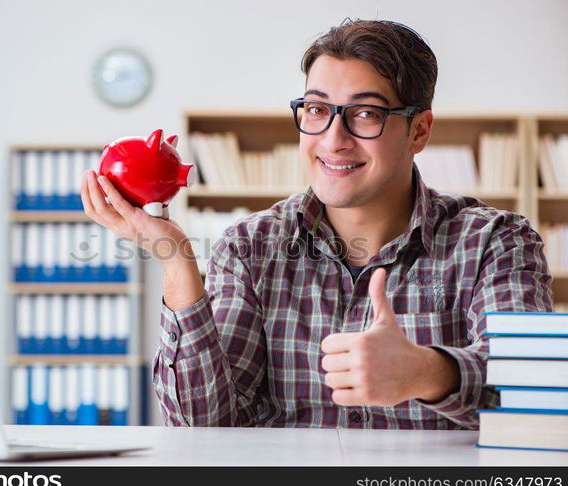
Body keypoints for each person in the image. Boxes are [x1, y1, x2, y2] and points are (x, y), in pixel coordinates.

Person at [81, 19, 554, 429]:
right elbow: (203, 425)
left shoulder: (496, 242)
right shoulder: (249, 247)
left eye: (365, 114)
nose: (333, 139)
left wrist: (428, 372)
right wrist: (178, 265)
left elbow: (531, 394)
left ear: (419, 130)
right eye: (317, 109)